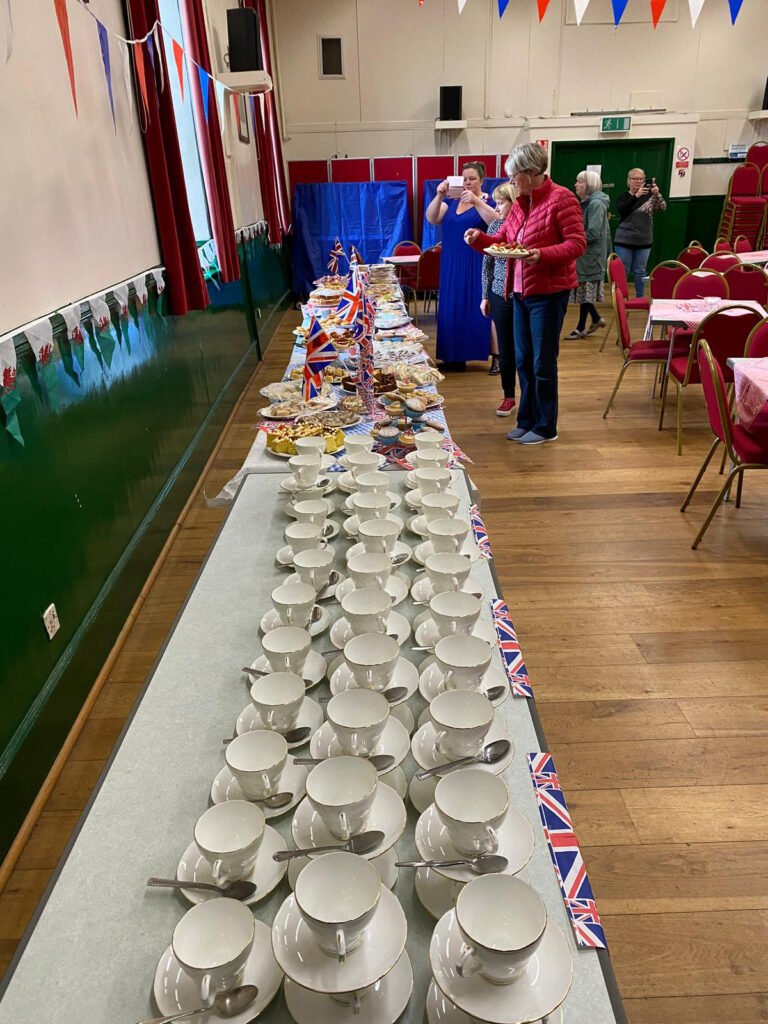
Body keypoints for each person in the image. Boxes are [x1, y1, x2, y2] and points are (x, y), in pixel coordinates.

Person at [465, 143, 585, 445]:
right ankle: (527, 419)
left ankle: (546, 426)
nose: (512, 181)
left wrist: (541, 254)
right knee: (522, 359)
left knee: (542, 362)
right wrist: (479, 240)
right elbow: (502, 241)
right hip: (517, 292)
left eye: (515, 175)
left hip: (548, 292)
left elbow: (577, 244)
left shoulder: (562, 199)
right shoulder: (519, 203)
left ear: (533, 173)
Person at [425, 161, 497, 369]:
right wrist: (439, 195)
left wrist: (476, 201)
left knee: (480, 309)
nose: (468, 182)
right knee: (453, 309)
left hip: (476, 263)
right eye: (464, 178)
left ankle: (497, 356)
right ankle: (455, 358)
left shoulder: (487, 202)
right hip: (451, 264)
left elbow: (496, 222)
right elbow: (431, 218)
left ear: (481, 181)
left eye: (472, 178)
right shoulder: (450, 203)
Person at [481, 183, 517, 415]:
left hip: (524, 294)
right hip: (498, 293)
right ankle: (509, 396)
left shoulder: (526, 226)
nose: (497, 207)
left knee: (525, 349)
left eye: (501, 202)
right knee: (505, 348)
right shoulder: (495, 225)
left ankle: (531, 398)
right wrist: (485, 296)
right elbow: (488, 264)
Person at [565, 170, 611, 339]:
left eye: (580, 182)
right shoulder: (589, 202)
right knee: (585, 293)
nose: (576, 185)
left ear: (589, 184)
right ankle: (591, 321)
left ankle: (582, 327)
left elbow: (593, 233)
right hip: (587, 255)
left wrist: (571, 238)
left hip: (591, 256)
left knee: (585, 291)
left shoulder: (595, 204)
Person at [613, 168, 666, 298]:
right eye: (634, 179)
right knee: (623, 271)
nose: (638, 182)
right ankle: (621, 298)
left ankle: (640, 297)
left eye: (641, 179)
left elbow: (662, 207)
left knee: (640, 271)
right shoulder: (623, 197)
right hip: (624, 240)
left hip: (644, 240)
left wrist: (657, 194)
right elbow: (622, 209)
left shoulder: (650, 197)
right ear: (628, 181)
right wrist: (635, 196)